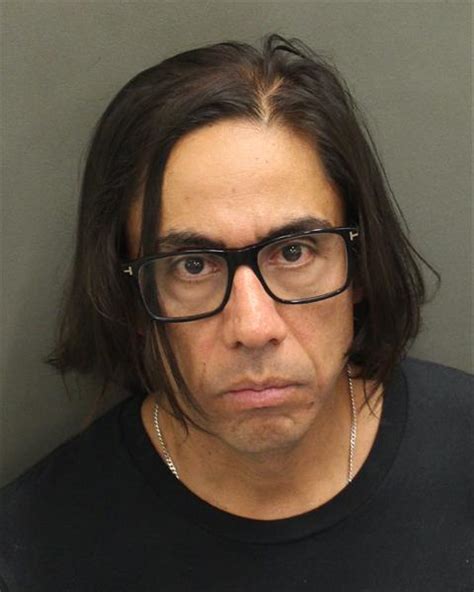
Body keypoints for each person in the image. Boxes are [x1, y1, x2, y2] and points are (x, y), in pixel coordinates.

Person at [0, 34, 472, 592]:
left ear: (362, 267)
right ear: (131, 296)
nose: (253, 327)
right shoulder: (34, 550)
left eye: (293, 252)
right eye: (193, 265)